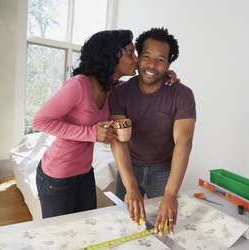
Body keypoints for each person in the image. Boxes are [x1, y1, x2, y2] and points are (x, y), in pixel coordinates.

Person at [32, 29, 178, 219]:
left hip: (85, 172)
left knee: (86, 230)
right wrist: (91, 133)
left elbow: (143, 82)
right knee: (60, 236)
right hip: (57, 175)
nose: (136, 58)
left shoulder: (113, 88)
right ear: (110, 56)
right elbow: (40, 121)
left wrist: (164, 74)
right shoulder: (79, 85)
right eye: (129, 53)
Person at [109, 27, 196, 235]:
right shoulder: (119, 93)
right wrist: (131, 188)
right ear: (138, 58)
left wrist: (171, 194)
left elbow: (184, 143)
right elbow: (118, 140)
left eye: (160, 60)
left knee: (165, 228)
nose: (152, 65)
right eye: (147, 57)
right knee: (122, 224)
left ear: (169, 62)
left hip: (163, 170)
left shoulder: (182, 95)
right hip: (130, 166)